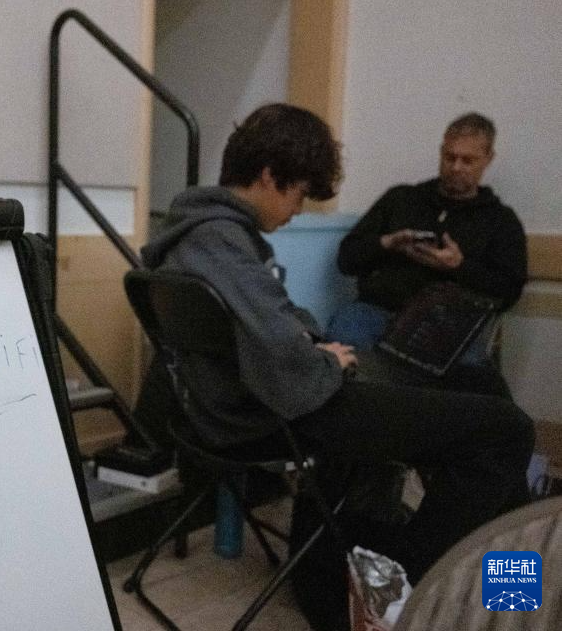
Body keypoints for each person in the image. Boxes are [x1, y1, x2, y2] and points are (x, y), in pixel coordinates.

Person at [140, 103, 533, 630]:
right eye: (300, 192)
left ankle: (514, 593)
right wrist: (325, 361)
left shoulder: (201, 234)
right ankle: (415, 587)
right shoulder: (218, 239)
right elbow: (286, 361)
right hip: (284, 408)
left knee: (486, 401)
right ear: (269, 176)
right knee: (508, 430)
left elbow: (272, 320)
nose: (299, 208)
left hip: (270, 398)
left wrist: (316, 347)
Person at [328, 113, 527, 361]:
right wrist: (387, 244)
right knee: (345, 337)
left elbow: (509, 292)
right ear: (441, 151)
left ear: (487, 159)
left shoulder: (500, 221)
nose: (456, 167)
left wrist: (458, 267)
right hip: (377, 311)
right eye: (450, 157)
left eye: (467, 161)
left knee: (469, 368)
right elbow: (346, 260)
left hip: (449, 325)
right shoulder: (401, 199)